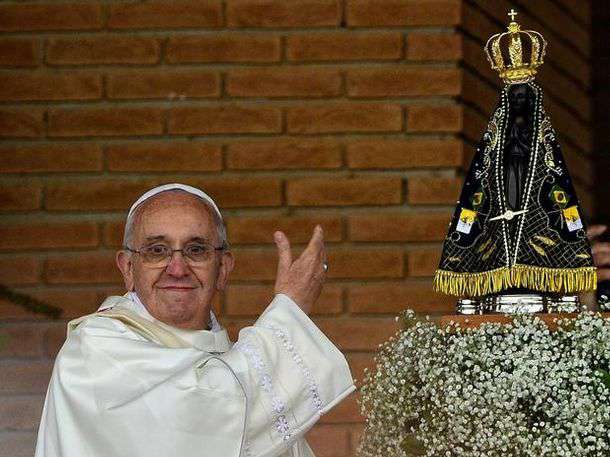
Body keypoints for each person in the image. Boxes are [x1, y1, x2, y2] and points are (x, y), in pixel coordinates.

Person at [34, 183, 355, 457]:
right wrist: (290, 310)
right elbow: (202, 415)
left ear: (224, 268)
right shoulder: (94, 350)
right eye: (157, 250)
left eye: (196, 250)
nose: (177, 267)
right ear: (128, 269)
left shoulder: (231, 361)